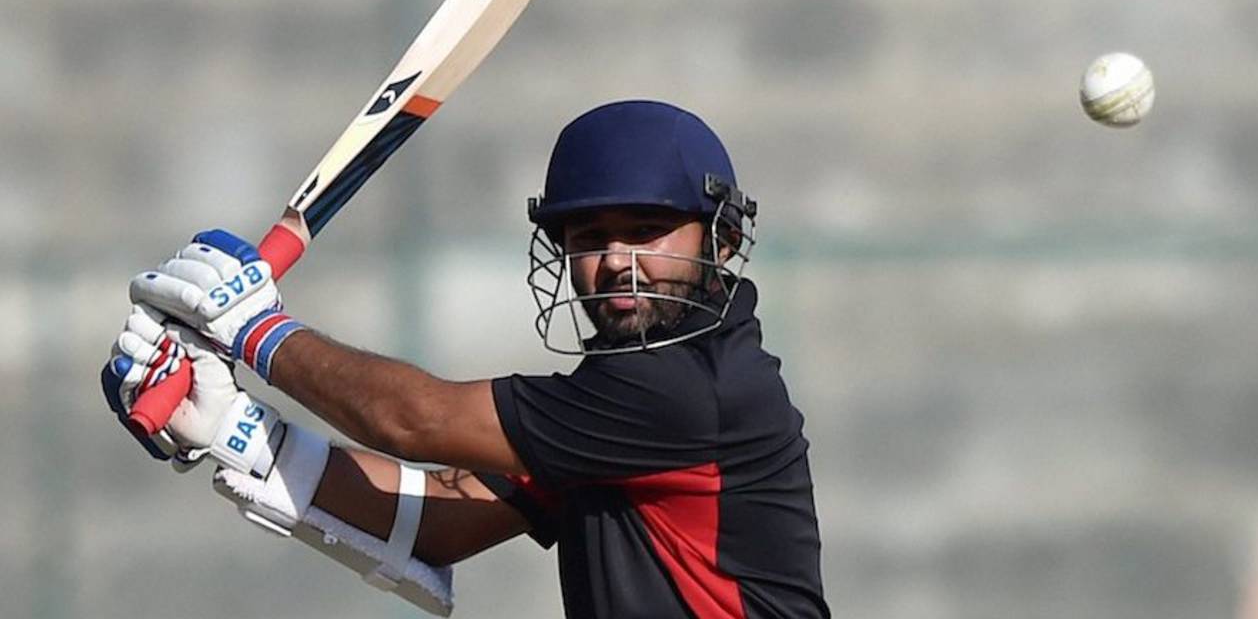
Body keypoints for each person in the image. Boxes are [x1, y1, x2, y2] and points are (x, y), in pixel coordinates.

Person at [104, 99, 830, 618]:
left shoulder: (688, 391)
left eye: (646, 231)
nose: (615, 263)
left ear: (722, 241)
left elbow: (413, 421)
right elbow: (434, 521)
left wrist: (253, 328)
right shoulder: (610, 409)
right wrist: (239, 428)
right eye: (589, 235)